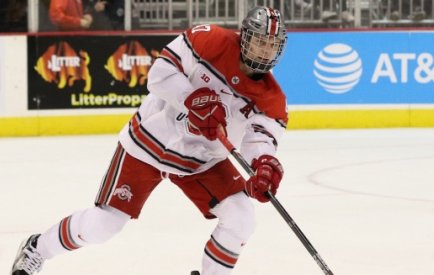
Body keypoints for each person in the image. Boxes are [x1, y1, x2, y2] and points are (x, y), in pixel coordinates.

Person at [11, 5, 288, 275]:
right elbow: (159, 74)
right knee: (104, 225)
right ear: (244, 36)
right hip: (150, 141)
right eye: (259, 42)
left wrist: (262, 165)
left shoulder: (272, 99)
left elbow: (259, 140)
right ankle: (37, 248)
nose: (264, 51)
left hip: (201, 161)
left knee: (242, 217)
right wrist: (190, 99)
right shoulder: (210, 39)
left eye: (271, 46)